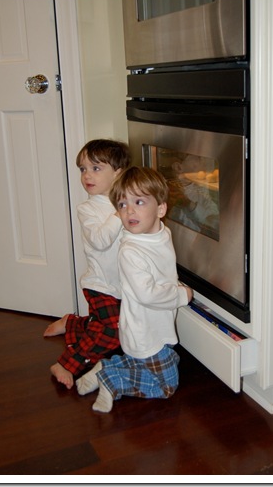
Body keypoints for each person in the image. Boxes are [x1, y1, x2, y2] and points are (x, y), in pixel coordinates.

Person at [76, 166, 193, 412]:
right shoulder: (131, 251)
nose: (129, 210)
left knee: (164, 360)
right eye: (122, 204)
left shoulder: (161, 233)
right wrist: (181, 294)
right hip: (143, 329)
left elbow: (162, 270)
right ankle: (112, 380)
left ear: (160, 209)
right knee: (166, 385)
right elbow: (148, 294)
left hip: (156, 322)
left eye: (139, 201)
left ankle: (107, 367)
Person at [44, 139, 130, 390]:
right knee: (114, 331)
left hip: (125, 285)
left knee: (114, 329)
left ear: (118, 172)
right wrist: (119, 214)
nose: (87, 175)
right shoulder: (88, 209)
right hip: (100, 284)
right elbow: (100, 241)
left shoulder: (128, 202)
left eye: (96, 168)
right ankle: (67, 364)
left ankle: (72, 323)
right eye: (83, 169)